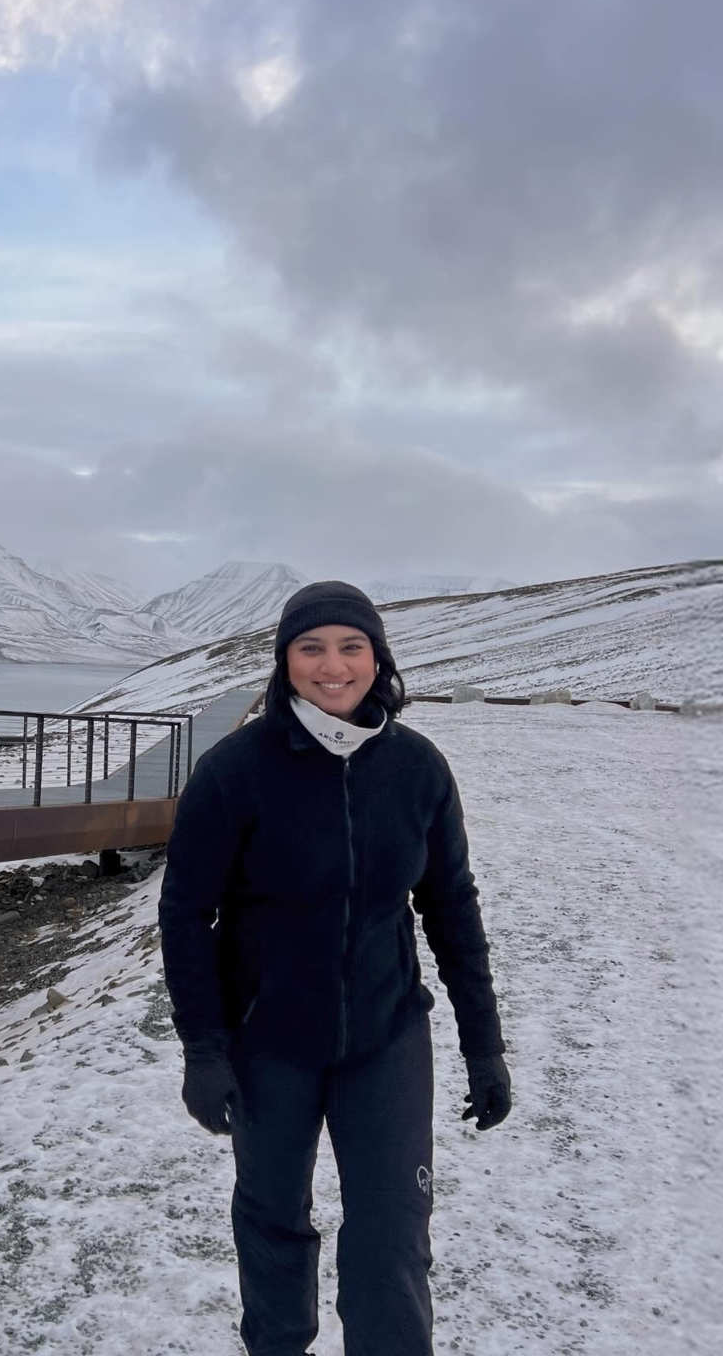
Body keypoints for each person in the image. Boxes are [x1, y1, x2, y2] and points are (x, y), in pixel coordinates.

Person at [159, 580, 513, 1356]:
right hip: (269, 1040)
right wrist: (204, 1048)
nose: (333, 665)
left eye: (352, 646)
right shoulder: (235, 771)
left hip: (385, 1037)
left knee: (391, 1237)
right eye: (311, 647)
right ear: (284, 660)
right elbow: (186, 914)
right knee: (273, 1220)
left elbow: (451, 907)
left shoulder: (417, 769)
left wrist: (484, 1047)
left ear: (377, 658)